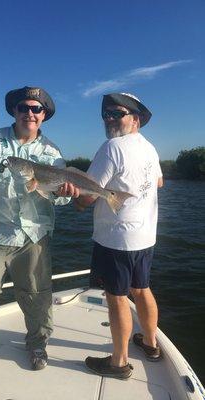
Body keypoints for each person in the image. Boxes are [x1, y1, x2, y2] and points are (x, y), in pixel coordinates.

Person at [0, 86, 79, 385]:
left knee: (37, 296)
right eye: (24, 107)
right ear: (15, 111)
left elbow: (58, 198)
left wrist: (66, 194)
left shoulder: (53, 154)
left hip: (33, 237)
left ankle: (37, 345)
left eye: (37, 109)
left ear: (44, 115)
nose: (30, 113)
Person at [74, 92, 163, 380]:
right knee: (142, 289)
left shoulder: (112, 148)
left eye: (117, 113)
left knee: (117, 298)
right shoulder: (150, 148)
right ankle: (150, 344)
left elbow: (87, 196)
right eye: (106, 114)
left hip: (116, 240)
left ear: (135, 119)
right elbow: (158, 182)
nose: (109, 118)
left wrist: (74, 197)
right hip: (145, 236)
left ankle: (119, 362)